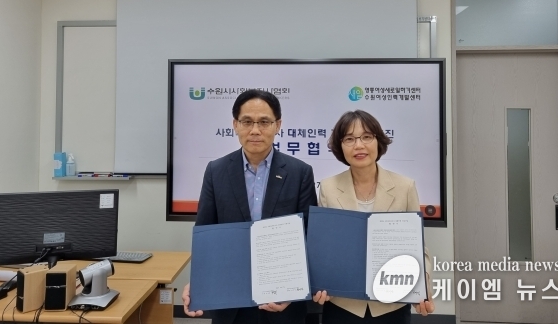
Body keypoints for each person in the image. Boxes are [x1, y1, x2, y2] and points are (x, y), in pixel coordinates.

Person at [183, 89, 318, 324]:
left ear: (278, 125)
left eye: (264, 122)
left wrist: (295, 291)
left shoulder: (300, 173)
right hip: (230, 300)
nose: (255, 130)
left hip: (282, 301)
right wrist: (198, 283)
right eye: (247, 122)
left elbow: (309, 237)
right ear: (235, 125)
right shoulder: (216, 171)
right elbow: (206, 234)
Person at [312, 110, 434, 324]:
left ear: (379, 141)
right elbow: (325, 250)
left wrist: (422, 289)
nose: (359, 145)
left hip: (391, 303)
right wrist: (320, 283)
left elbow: (418, 248)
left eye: (366, 137)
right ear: (340, 146)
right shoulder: (328, 188)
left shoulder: (405, 187)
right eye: (349, 139)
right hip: (343, 303)